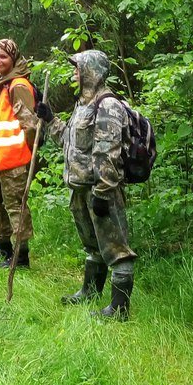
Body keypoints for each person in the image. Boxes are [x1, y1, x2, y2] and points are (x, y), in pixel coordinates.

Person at [36, 49, 136, 319]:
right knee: (93, 246)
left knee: (117, 250)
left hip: (100, 190)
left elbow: (108, 152)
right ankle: (90, 292)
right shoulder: (83, 105)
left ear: (91, 71)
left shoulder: (107, 105)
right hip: (79, 189)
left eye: (78, 69)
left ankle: (119, 310)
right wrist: (49, 120)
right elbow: (71, 143)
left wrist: (103, 193)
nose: (74, 73)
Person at [0, 39, 40, 267]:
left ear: (13, 58)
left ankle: (21, 255)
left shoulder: (18, 85)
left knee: (15, 206)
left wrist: (29, 156)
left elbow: (30, 126)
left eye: (2, 57)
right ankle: (2, 249)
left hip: (13, 159)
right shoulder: (0, 83)